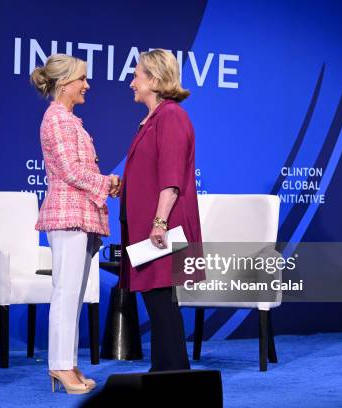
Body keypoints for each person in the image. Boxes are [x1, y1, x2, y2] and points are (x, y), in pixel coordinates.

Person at [31, 54, 120, 394]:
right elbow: (69, 171)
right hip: (68, 214)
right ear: (65, 83)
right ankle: (59, 365)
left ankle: (67, 362)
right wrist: (106, 182)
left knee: (74, 294)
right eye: (82, 79)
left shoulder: (68, 119)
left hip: (81, 213)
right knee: (66, 294)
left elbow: (76, 170)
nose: (87, 85)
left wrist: (105, 183)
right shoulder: (57, 119)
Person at [119, 49, 202, 371]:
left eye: (137, 76)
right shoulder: (154, 119)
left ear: (154, 80)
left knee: (161, 300)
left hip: (161, 226)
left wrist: (158, 223)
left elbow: (171, 178)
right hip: (149, 224)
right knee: (157, 300)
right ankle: (164, 371)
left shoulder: (171, 116)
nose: (132, 83)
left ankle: (174, 372)